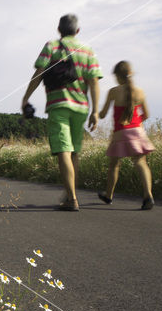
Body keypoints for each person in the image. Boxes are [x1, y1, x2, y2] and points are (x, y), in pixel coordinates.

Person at [22, 14, 102, 211]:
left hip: (59, 105)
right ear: (77, 31)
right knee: (74, 152)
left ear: (59, 30)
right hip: (81, 107)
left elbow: (39, 73)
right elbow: (93, 82)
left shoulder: (52, 46)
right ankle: (69, 194)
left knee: (63, 151)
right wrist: (96, 111)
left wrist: (26, 97)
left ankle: (72, 199)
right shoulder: (88, 50)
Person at [96, 60, 156, 210]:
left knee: (114, 165)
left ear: (117, 76)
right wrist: (136, 123)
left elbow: (103, 114)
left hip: (120, 133)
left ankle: (109, 195)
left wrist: (96, 113)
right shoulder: (140, 92)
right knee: (141, 163)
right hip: (137, 131)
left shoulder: (113, 91)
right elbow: (146, 114)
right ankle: (148, 195)